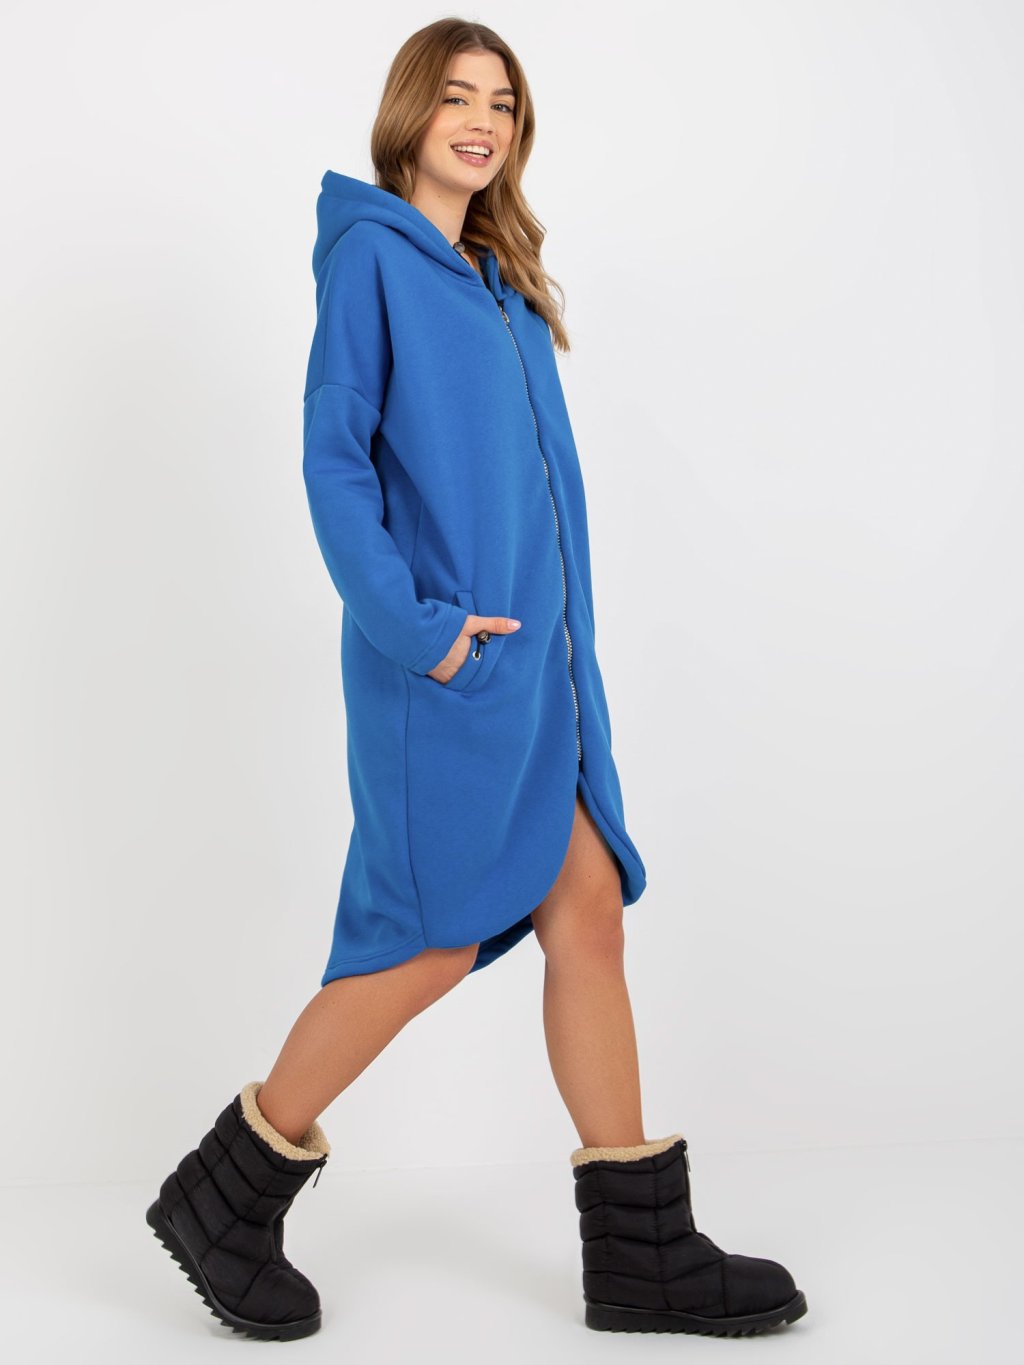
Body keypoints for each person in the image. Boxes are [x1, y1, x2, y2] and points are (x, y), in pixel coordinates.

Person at [145, 17, 807, 1343]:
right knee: (427, 938)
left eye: (503, 102)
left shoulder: (496, 279)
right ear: (411, 113)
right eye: (458, 96)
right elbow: (334, 461)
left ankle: (641, 1254)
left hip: (537, 680)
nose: (483, 121)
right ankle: (229, 1193)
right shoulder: (373, 260)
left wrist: (545, 656)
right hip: (441, 680)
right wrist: (427, 633)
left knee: (587, 909)